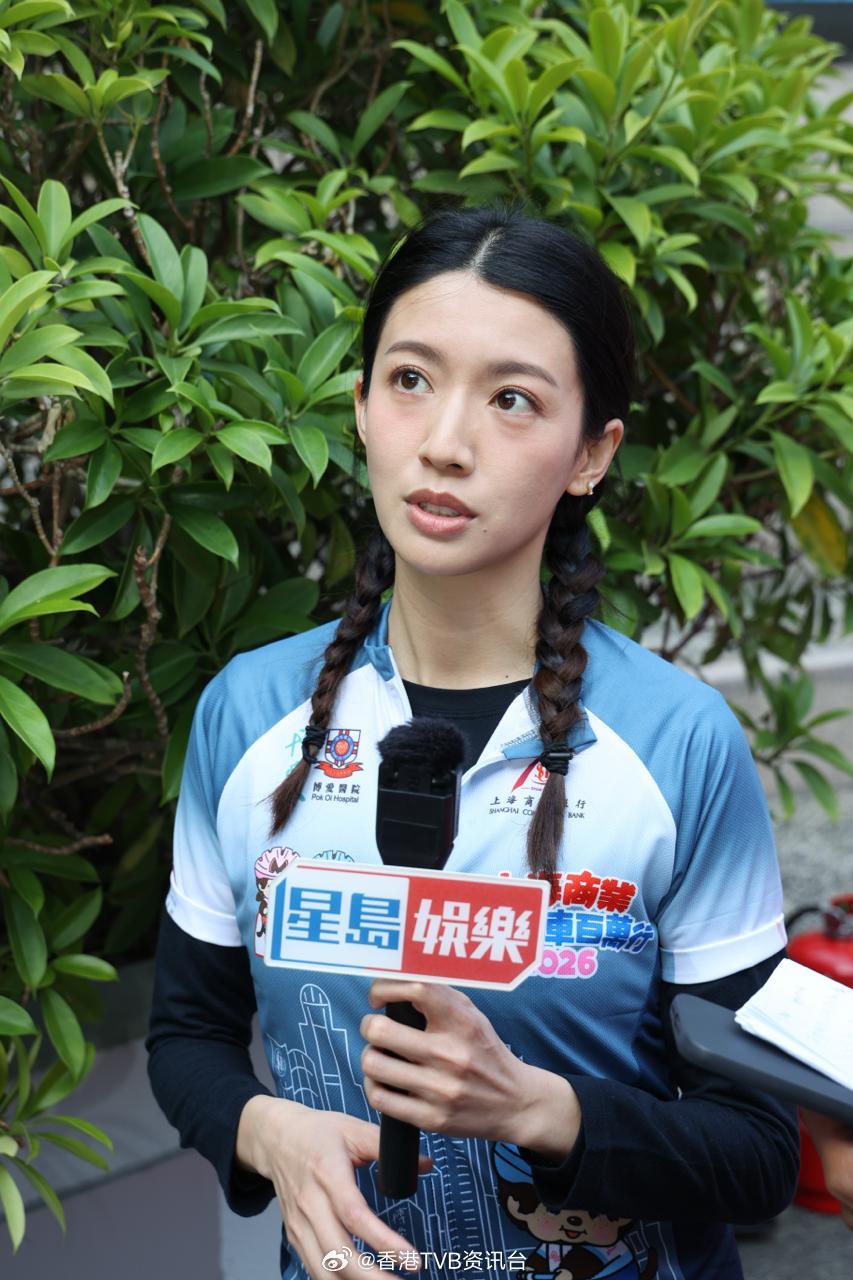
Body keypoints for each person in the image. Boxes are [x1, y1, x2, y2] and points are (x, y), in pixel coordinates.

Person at [146, 203, 799, 1280]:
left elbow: (761, 1148)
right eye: (410, 379)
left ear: (590, 453)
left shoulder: (675, 741)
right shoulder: (249, 713)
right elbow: (188, 1039)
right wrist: (268, 1131)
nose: (444, 444)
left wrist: (537, 1108)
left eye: (510, 399)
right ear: (360, 408)